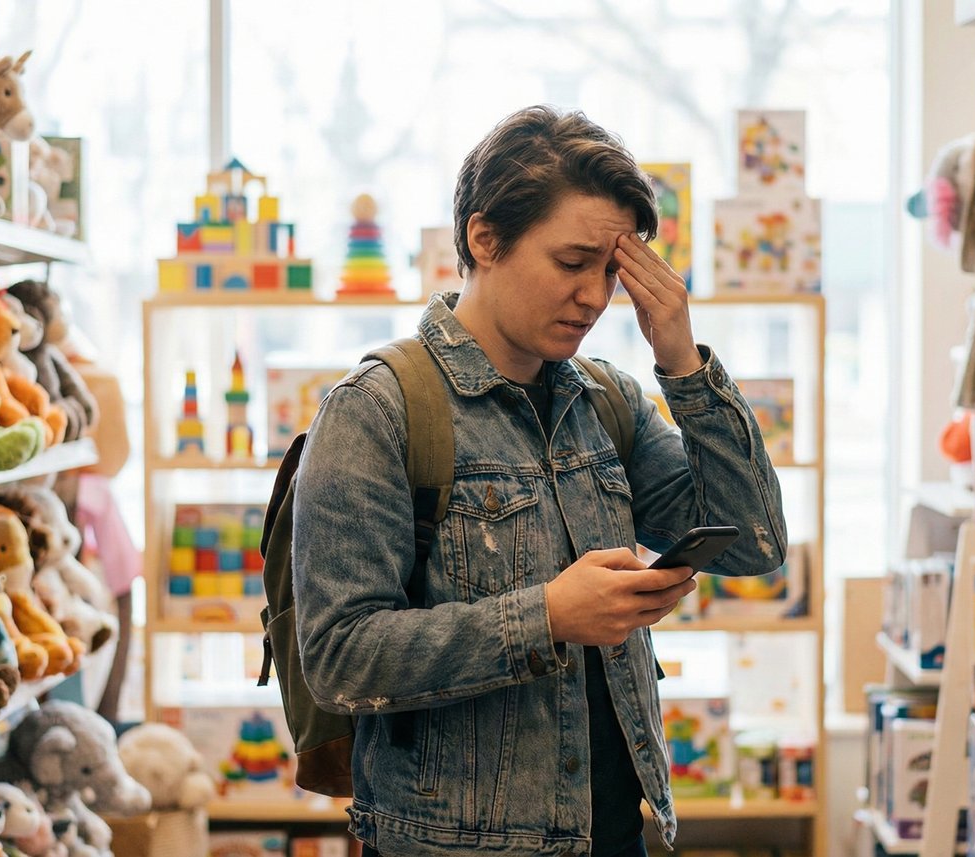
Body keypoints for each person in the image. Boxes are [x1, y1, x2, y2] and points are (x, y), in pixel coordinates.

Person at [292, 105, 788, 857]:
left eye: (612, 270)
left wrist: (683, 362)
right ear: (483, 238)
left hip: (618, 833)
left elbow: (754, 543)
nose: (595, 296)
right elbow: (339, 658)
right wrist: (547, 615)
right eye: (571, 262)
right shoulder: (377, 410)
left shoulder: (608, 401)